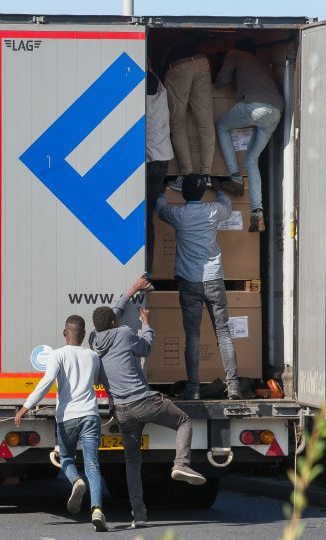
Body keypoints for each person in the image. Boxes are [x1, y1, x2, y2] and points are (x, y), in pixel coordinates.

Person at [89, 275, 205, 529]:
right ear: (113, 323)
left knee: (132, 461)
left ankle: (139, 516)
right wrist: (147, 324)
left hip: (121, 411)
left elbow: (113, 311)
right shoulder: (123, 333)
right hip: (144, 401)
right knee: (184, 421)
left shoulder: (93, 341)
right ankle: (181, 464)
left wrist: (131, 290)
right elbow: (146, 349)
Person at [15, 315, 108, 532]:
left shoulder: (57, 355)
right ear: (84, 335)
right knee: (92, 464)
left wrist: (25, 407)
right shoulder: (93, 356)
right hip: (90, 415)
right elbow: (96, 381)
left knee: (65, 458)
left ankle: (76, 481)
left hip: (67, 417)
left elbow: (46, 382)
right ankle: (97, 510)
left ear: (65, 332)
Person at [156, 175, 242, 400]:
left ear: (183, 193)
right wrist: (219, 188)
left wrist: (164, 186)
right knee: (223, 333)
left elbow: (160, 207)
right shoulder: (212, 210)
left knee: (192, 337)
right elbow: (228, 206)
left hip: (189, 281)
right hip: (214, 280)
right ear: (204, 193)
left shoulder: (178, 214)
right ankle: (233, 386)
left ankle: (193, 389)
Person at [214, 35, 283, 233]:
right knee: (252, 160)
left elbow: (222, 80)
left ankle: (235, 177)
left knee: (222, 127)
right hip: (276, 111)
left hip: (255, 105)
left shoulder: (234, 54)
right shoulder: (260, 63)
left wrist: (218, 82)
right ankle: (257, 213)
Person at [159, 36, 215, 191]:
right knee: (205, 122)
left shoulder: (160, 43)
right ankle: (206, 175)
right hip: (202, 61)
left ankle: (186, 175)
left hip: (178, 66)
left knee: (177, 123)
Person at [145, 66, 174, 276]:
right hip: (162, 158)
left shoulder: (148, 84)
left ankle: (146, 269)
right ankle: (148, 269)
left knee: (143, 217)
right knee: (148, 215)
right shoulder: (158, 86)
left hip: (152, 160)